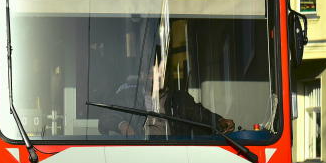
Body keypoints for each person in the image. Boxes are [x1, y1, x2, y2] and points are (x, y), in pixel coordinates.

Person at [98, 69, 235, 137]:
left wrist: (220, 121)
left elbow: (201, 114)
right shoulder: (127, 96)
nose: (155, 77)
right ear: (143, 76)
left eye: (159, 73)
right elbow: (105, 117)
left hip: (173, 153)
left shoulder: (180, 99)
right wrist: (122, 125)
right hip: (138, 153)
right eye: (150, 73)